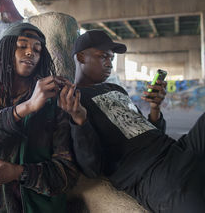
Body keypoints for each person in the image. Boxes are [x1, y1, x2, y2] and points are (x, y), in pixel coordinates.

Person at [58, 29, 205, 213]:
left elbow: (147, 130)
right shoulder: (74, 101)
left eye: (111, 58)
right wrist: (80, 120)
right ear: (80, 57)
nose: (109, 63)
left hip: (180, 151)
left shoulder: (117, 89)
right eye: (103, 56)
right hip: (153, 177)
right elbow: (92, 168)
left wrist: (155, 108)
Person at [0, 22, 79, 213]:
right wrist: (26, 107)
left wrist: (18, 173)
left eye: (37, 49)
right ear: (6, 51)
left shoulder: (54, 104)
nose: (30, 53)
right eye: (22, 46)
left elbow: (66, 174)